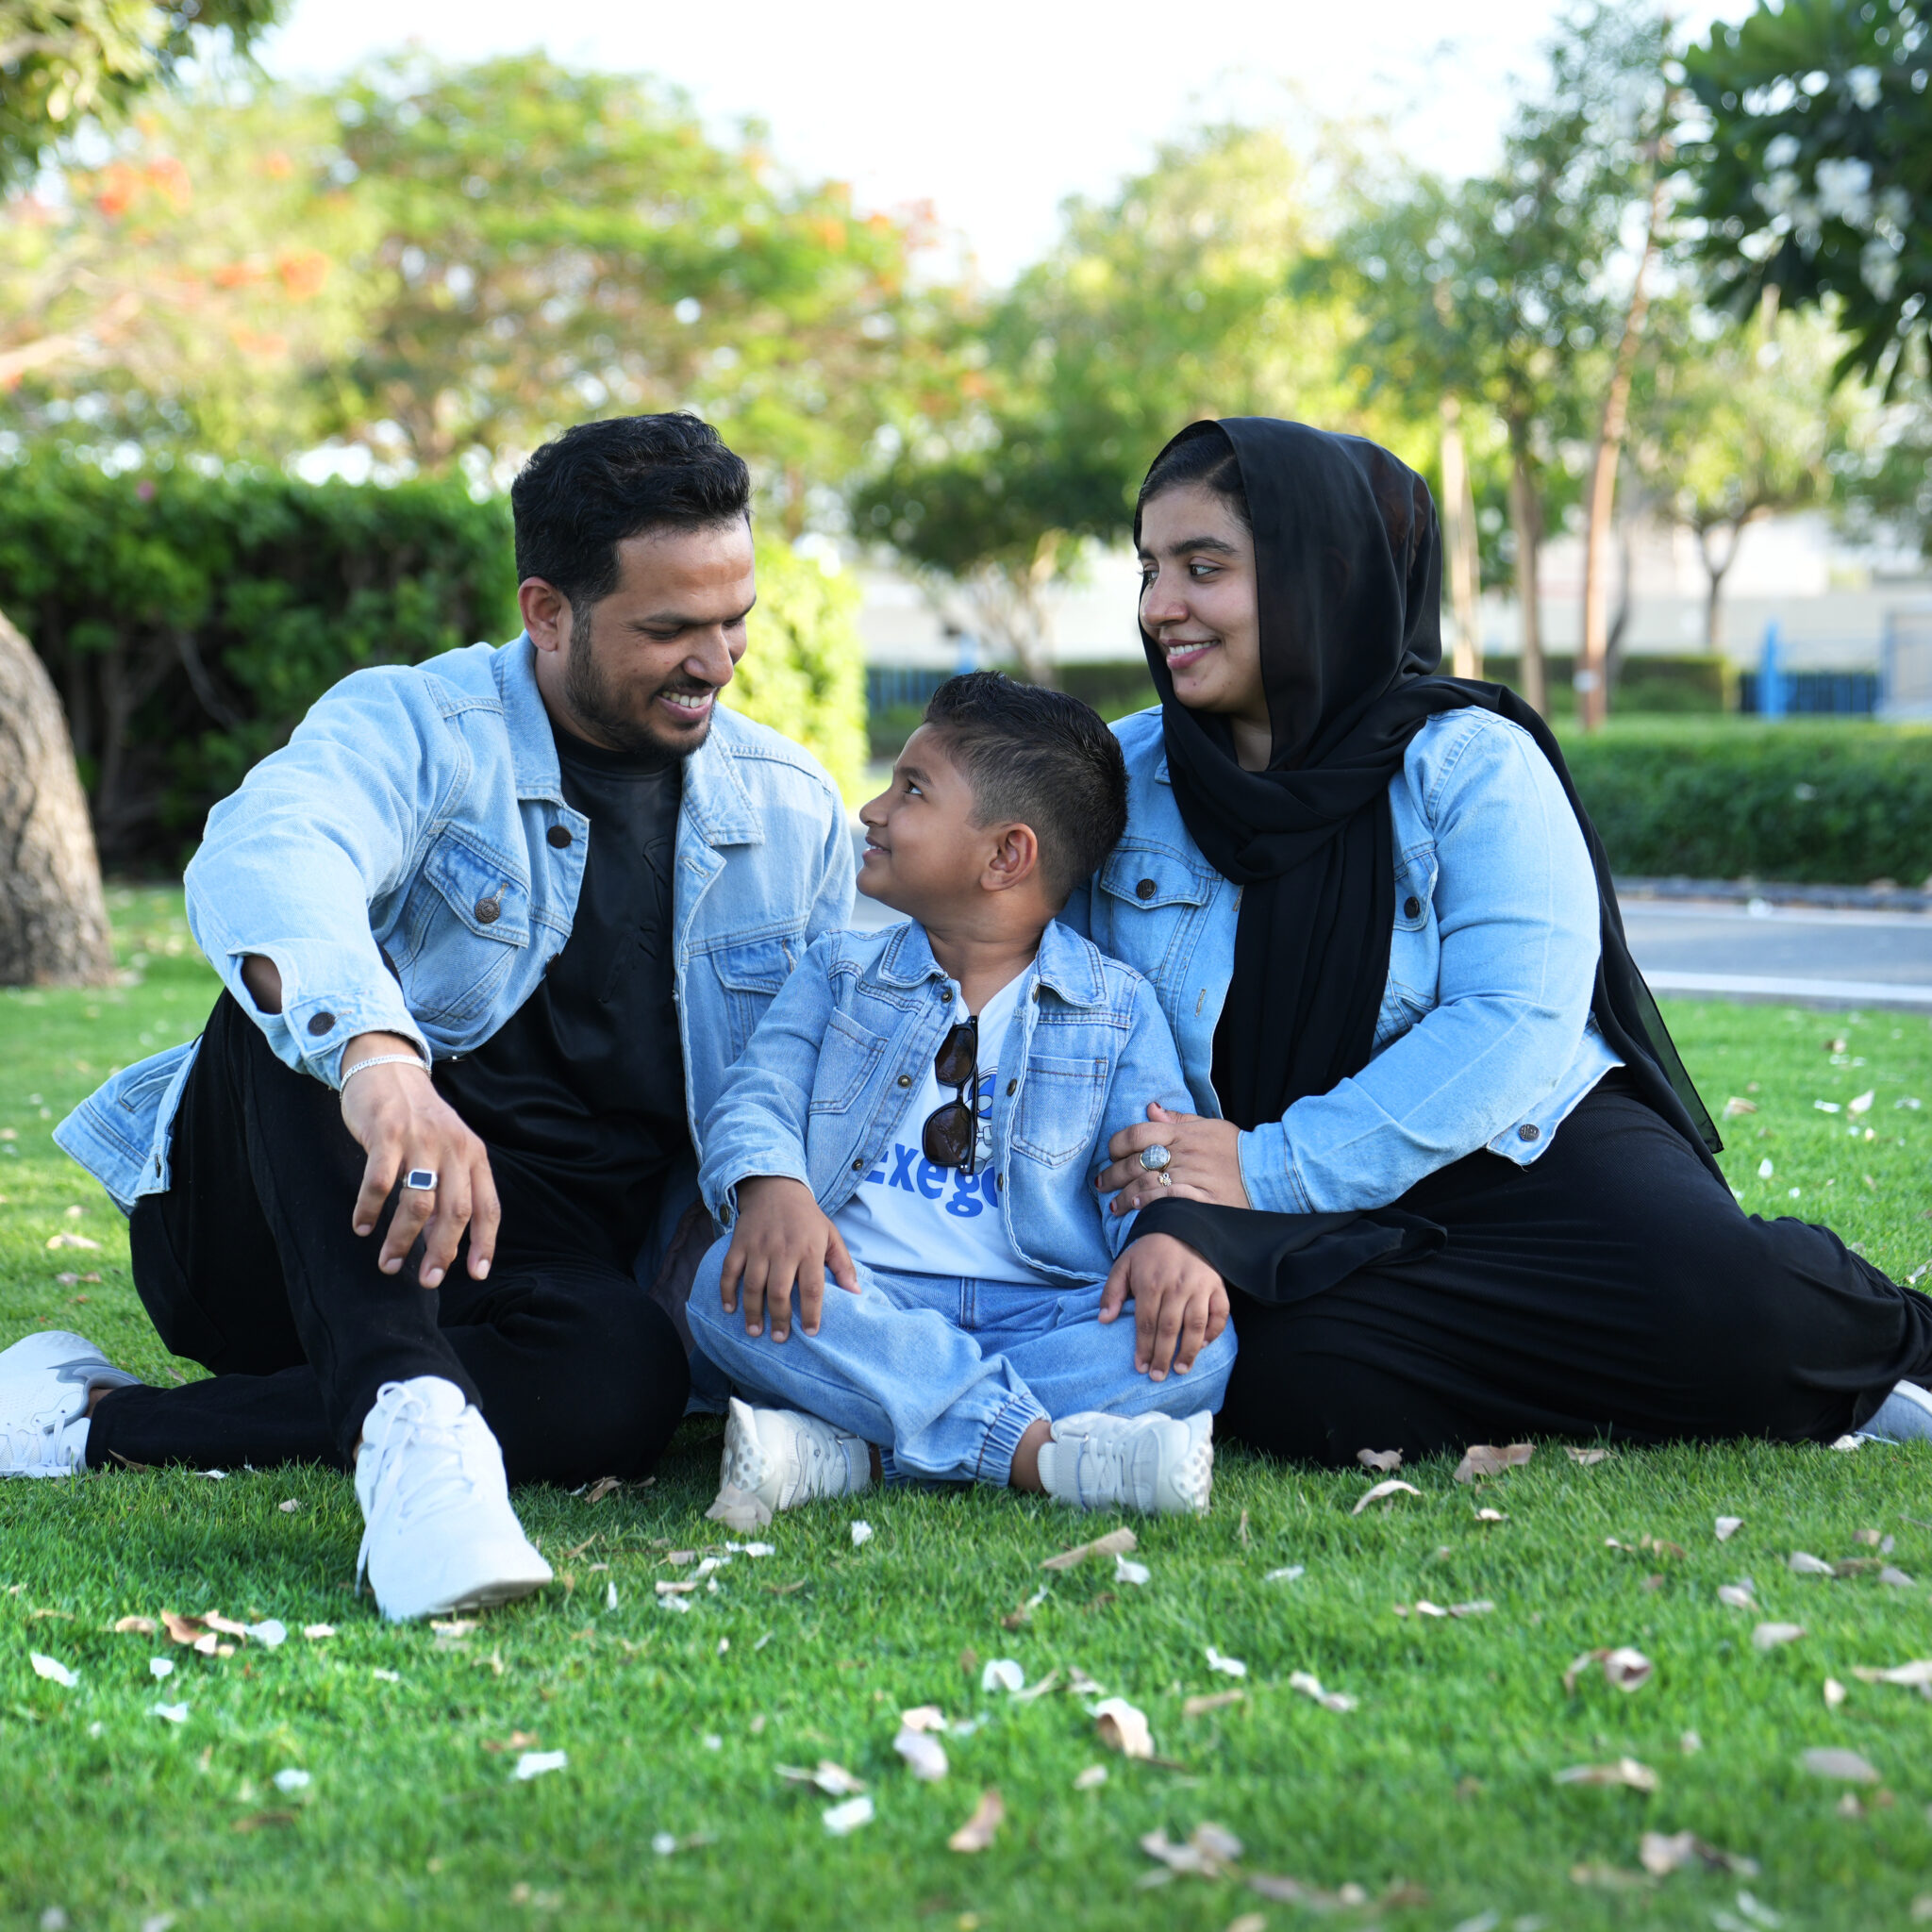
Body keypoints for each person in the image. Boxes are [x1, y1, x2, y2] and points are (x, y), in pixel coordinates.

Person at [0, 413, 855, 1623]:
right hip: (286, 1216)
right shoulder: (415, 724)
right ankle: (407, 1430)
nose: (715, 660)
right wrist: (383, 1062)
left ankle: (104, 1419)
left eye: (735, 619)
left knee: (624, 1385)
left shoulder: (790, 809)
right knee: (306, 1009)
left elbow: (840, 1042)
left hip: (521, 1259)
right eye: (670, 628)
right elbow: (270, 847)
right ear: (546, 611)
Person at [1069, 416, 1932, 1465]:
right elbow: (1063, 1005)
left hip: (1517, 1154)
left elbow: (1513, 1020)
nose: (1158, 607)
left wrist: (1272, 1166)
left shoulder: (1469, 762)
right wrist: (1181, 1203)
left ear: (1324, 577)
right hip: (1243, 1197)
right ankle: (1609, 1364)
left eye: (1202, 569)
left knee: (1732, 1305)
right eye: (1150, 568)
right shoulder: (1118, 780)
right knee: (1296, 1382)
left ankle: (1875, 1344)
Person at [685, 673, 1232, 1520]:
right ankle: (1045, 1457)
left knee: (1201, 1341)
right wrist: (773, 1189)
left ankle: (860, 1454)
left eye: (912, 789)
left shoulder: (1118, 1006)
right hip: (863, 1294)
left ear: (1006, 856)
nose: (872, 809)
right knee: (722, 1284)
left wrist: (1168, 1237)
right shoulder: (839, 972)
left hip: (1046, 1311)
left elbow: (1149, 1157)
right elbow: (757, 1099)